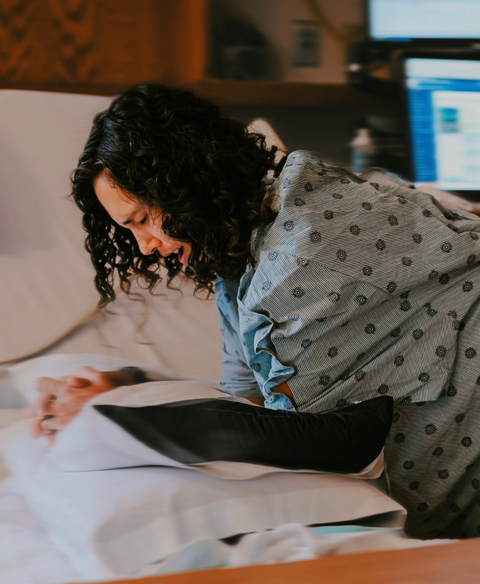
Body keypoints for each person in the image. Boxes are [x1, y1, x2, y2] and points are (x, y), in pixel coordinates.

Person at [32, 84, 480, 541]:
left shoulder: (296, 263)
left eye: (143, 218)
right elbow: (248, 399)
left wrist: (109, 417)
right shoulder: (238, 252)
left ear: (188, 179)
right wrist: (127, 386)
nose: (145, 246)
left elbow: (317, 441)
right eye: (129, 231)